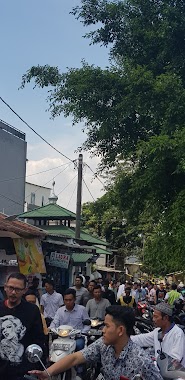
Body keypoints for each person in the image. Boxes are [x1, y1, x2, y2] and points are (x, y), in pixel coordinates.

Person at [29, 305, 163, 380]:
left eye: (107, 326)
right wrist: (47, 373)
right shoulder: (103, 345)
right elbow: (75, 358)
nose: (103, 330)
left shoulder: (141, 361)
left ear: (120, 330)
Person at [0, 272, 45, 380]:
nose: (13, 292)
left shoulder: (32, 311)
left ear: (24, 290)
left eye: (18, 289)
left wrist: (40, 368)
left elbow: (38, 340)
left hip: (22, 372)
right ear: (5, 287)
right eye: (10, 288)